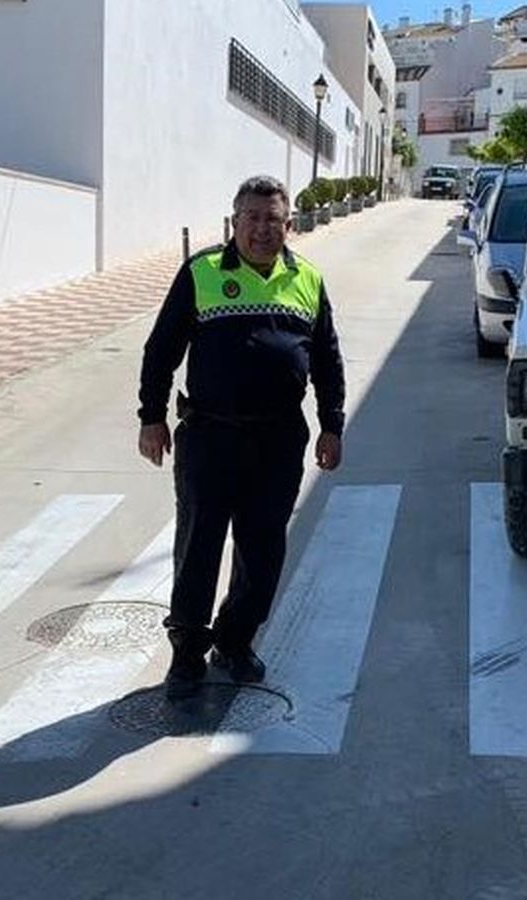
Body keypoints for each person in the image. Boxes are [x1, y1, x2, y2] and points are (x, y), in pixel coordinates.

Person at [137, 176, 346, 701]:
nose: (261, 228)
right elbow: (161, 349)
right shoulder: (202, 271)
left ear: (288, 225)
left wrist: (332, 424)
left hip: (279, 440)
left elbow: (327, 358)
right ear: (234, 222)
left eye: (272, 219)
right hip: (210, 435)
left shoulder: (307, 279)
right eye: (252, 217)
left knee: (263, 548)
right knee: (199, 546)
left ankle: (234, 641)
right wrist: (151, 416)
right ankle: (187, 652)